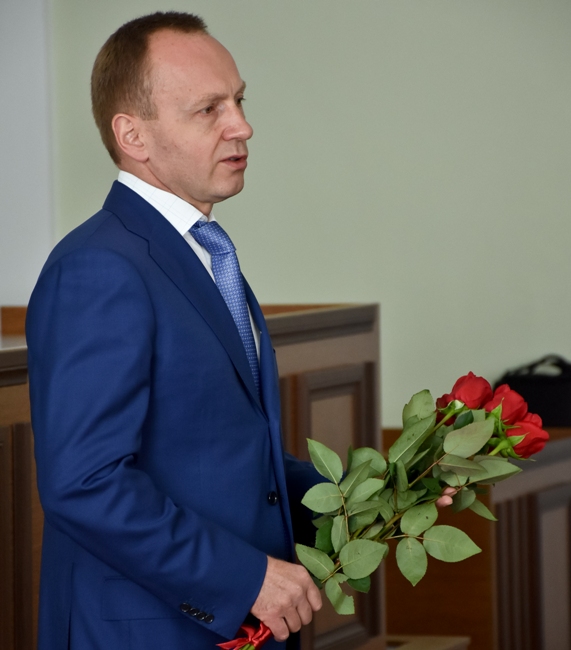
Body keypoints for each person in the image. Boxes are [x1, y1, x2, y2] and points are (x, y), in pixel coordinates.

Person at [26, 12, 323, 650]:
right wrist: (245, 578)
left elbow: (223, 455)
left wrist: (372, 495)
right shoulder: (98, 266)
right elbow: (85, 483)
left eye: (238, 101)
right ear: (132, 134)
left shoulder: (201, 250)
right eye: (209, 109)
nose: (242, 126)